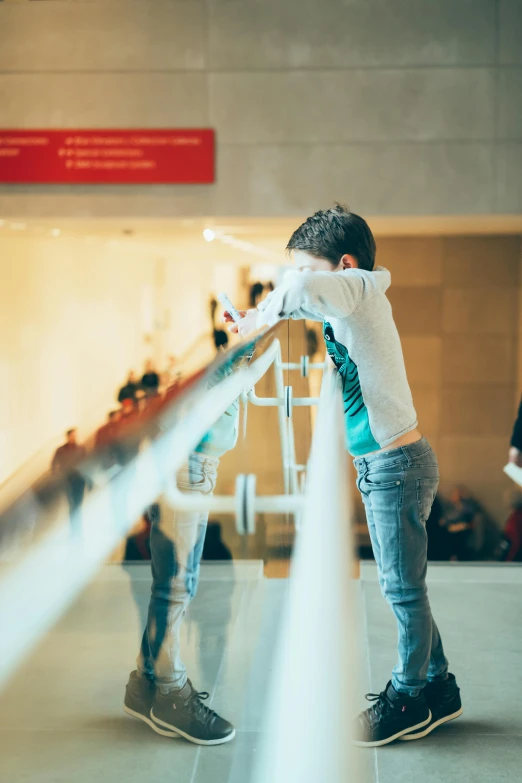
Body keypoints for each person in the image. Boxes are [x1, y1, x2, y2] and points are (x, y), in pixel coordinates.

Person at [225, 205, 462, 746]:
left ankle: (408, 698)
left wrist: (275, 302)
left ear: (345, 264)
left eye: (309, 269)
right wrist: (254, 322)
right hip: (388, 464)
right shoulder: (352, 299)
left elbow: (303, 293)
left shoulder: (357, 287)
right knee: (406, 588)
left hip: (396, 465)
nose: (302, 280)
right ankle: (438, 687)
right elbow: (305, 303)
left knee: (402, 590)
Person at [123, 398, 239, 746]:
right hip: (190, 463)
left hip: (187, 461)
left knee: (169, 585)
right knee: (176, 587)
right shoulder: (216, 345)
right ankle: (171, 694)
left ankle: (144, 686)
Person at [51, 428, 87, 532]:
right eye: (72, 435)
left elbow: (86, 462)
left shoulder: (81, 448)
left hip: (79, 480)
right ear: (68, 437)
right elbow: (54, 464)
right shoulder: (61, 450)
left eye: (75, 435)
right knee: (72, 505)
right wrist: (57, 474)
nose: (74, 437)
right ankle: (75, 529)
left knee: (78, 505)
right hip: (68, 481)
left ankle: (77, 528)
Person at [443, 485, 481, 561]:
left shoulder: (466, 508)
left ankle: (455, 556)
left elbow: (470, 522)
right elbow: (445, 520)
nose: (454, 497)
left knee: (457, 537)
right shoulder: (451, 508)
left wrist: (462, 526)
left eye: (456, 495)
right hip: (450, 530)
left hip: (462, 533)